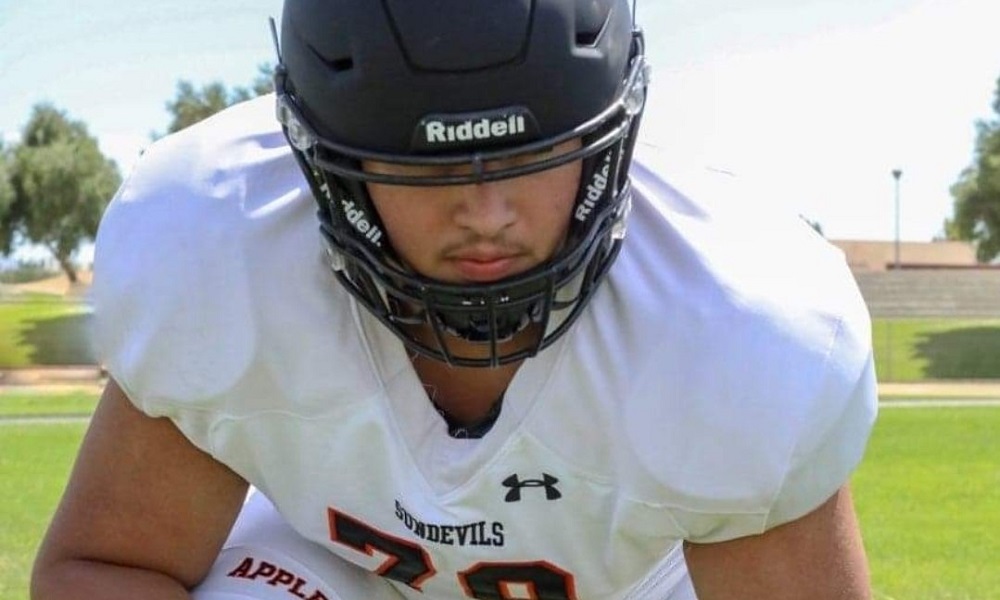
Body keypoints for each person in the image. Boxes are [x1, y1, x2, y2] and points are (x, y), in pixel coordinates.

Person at [31, 0, 878, 598]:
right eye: (425, 167)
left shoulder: (733, 324)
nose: (486, 216)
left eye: (532, 158)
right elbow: (104, 569)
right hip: (334, 574)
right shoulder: (218, 248)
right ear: (326, 164)